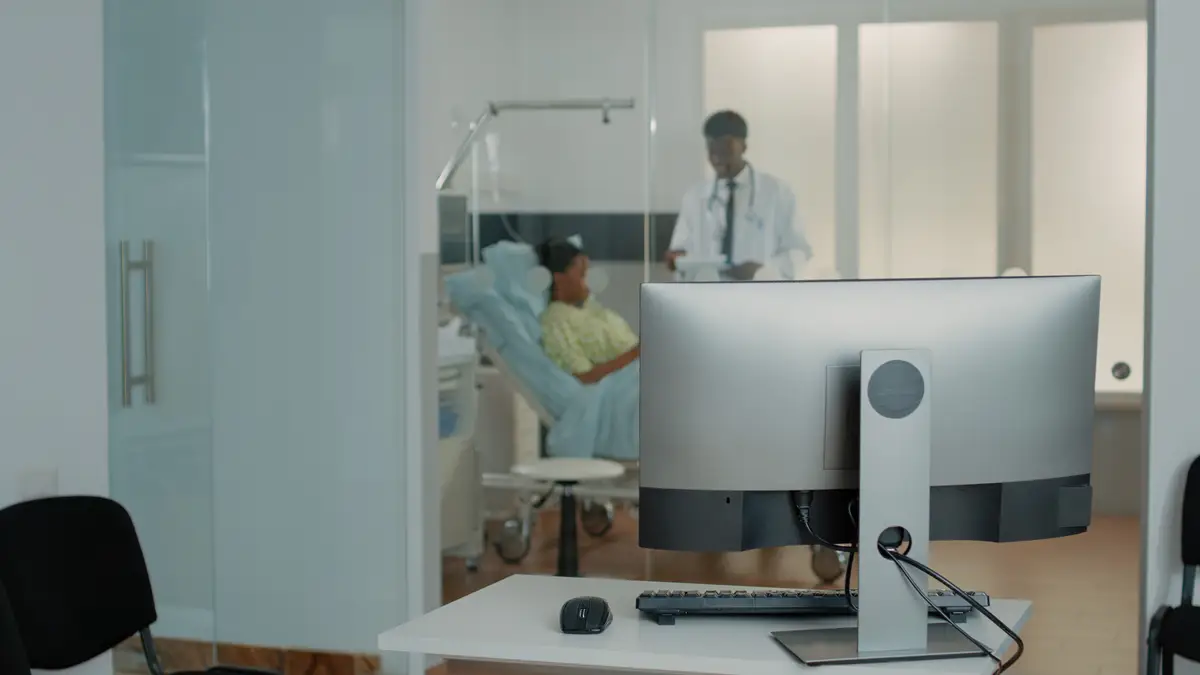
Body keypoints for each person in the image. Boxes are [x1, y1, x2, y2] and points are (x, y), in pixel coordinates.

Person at [665, 110, 811, 281]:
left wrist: (762, 271)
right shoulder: (695, 197)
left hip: (759, 295)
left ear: (743, 146)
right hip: (707, 296)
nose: (717, 156)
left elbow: (798, 252)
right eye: (711, 147)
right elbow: (680, 248)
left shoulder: (777, 193)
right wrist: (677, 258)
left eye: (725, 147)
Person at [537, 238, 639, 384]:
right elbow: (584, 378)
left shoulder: (593, 308)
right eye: (582, 274)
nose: (589, 281)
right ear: (559, 278)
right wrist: (636, 354)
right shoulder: (555, 321)